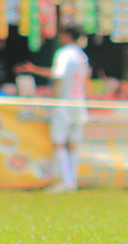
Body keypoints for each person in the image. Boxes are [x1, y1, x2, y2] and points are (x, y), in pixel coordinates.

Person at [17, 23, 90, 193]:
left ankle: (66, 182)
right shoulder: (82, 55)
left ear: (65, 35)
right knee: (73, 144)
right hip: (79, 103)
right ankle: (72, 180)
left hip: (65, 104)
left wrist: (34, 70)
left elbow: (58, 75)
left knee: (59, 143)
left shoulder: (64, 54)